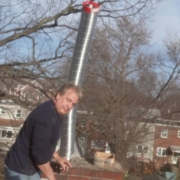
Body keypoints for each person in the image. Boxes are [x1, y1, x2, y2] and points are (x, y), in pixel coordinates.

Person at [4, 82, 82, 180]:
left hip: (30, 169)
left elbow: (46, 143)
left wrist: (58, 158)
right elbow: (39, 154)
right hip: (19, 170)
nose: (69, 106)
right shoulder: (46, 116)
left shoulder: (56, 113)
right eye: (68, 100)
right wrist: (51, 177)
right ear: (59, 95)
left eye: (73, 104)